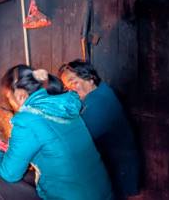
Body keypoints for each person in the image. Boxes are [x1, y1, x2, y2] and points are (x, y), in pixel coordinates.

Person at [0, 65, 113, 200]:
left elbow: (10, 173)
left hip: (72, 195)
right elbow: (50, 140)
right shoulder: (61, 105)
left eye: (9, 97)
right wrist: (8, 145)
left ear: (20, 95)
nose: (10, 102)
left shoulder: (27, 119)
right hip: (100, 193)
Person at [59, 60, 140, 199]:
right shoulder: (97, 92)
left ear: (90, 79)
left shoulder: (100, 102)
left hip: (119, 170)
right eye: (67, 87)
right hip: (113, 166)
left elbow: (78, 139)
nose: (70, 90)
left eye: (74, 82)